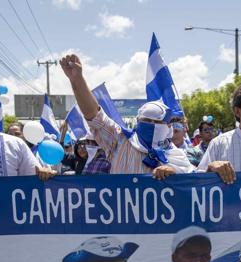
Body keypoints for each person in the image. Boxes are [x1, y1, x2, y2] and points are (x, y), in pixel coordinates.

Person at [59, 54, 195, 179]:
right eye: (144, 121)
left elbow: (196, 185)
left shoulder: (178, 157)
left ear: (167, 127)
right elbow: (94, 116)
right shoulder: (120, 141)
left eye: (154, 122)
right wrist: (77, 79)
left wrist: (175, 173)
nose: (148, 125)